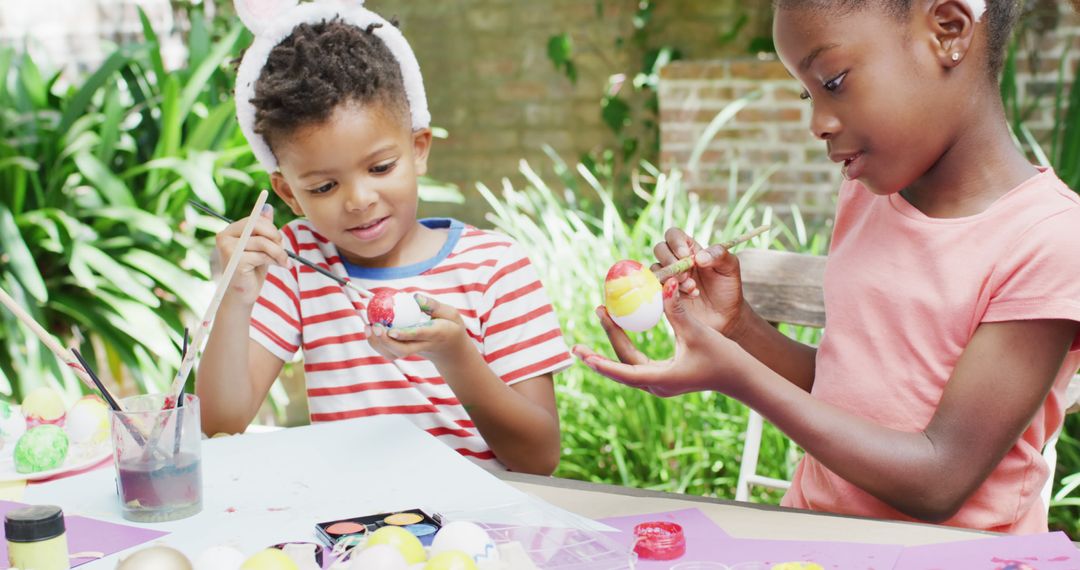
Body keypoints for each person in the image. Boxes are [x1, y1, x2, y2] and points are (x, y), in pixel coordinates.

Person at [574, 0, 1080, 532]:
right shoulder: (866, 197)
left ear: (948, 31)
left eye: (833, 82)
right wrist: (737, 328)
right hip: (816, 538)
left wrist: (736, 377)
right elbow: (849, 390)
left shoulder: (1048, 240)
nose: (817, 122)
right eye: (806, 93)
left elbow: (940, 479)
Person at [196, 0, 570, 475]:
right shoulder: (297, 263)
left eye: (380, 167)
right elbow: (218, 425)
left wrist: (455, 356)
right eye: (323, 187)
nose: (358, 199)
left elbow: (538, 459)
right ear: (289, 193)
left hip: (480, 533)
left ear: (418, 150)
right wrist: (235, 298)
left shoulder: (495, 267)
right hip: (353, 538)